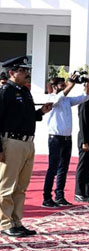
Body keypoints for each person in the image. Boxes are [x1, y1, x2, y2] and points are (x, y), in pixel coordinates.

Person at [0, 56, 53, 237]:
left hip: (27, 142)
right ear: (12, 72)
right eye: (22, 71)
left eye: (26, 70)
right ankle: (5, 222)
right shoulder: (5, 91)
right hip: (11, 142)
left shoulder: (24, 91)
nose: (26, 74)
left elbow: (28, 116)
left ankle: (16, 220)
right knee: (6, 185)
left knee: (21, 186)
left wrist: (41, 113)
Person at [41, 75, 89, 208]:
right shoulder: (51, 98)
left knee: (63, 168)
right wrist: (71, 85)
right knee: (53, 168)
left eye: (65, 83)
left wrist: (88, 84)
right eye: (62, 84)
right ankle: (46, 197)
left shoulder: (67, 100)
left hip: (67, 138)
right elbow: (58, 98)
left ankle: (59, 196)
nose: (65, 86)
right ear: (54, 86)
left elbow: (84, 97)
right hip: (55, 138)